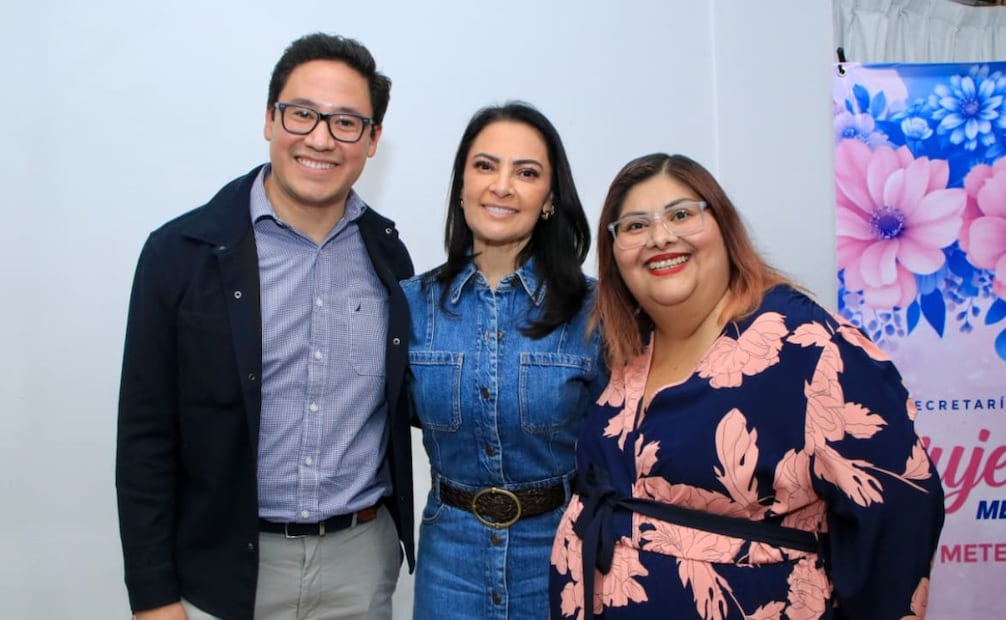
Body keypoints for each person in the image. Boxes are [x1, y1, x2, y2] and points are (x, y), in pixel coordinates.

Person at [549, 153, 945, 619]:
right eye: (635, 226)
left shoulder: (808, 346)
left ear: (723, 226)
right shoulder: (629, 349)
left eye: (681, 214)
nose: (660, 236)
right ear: (614, 251)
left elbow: (899, 514)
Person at [116, 33, 414, 620]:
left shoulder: (389, 259)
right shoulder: (181, 252)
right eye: (302, 114)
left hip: (359, 569)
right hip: (222, 573)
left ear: (373, 139)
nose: (321, 139)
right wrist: (153, 599)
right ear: (269, 119)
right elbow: (144, 437)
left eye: (347, 122)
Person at [401, 101, 607, 618]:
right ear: (462, 185)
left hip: (565, 557)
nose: (502, 186)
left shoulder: (596, 311)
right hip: (450, 563)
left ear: (550, 200)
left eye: (527, 172)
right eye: (485, 165)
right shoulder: (410, 305)